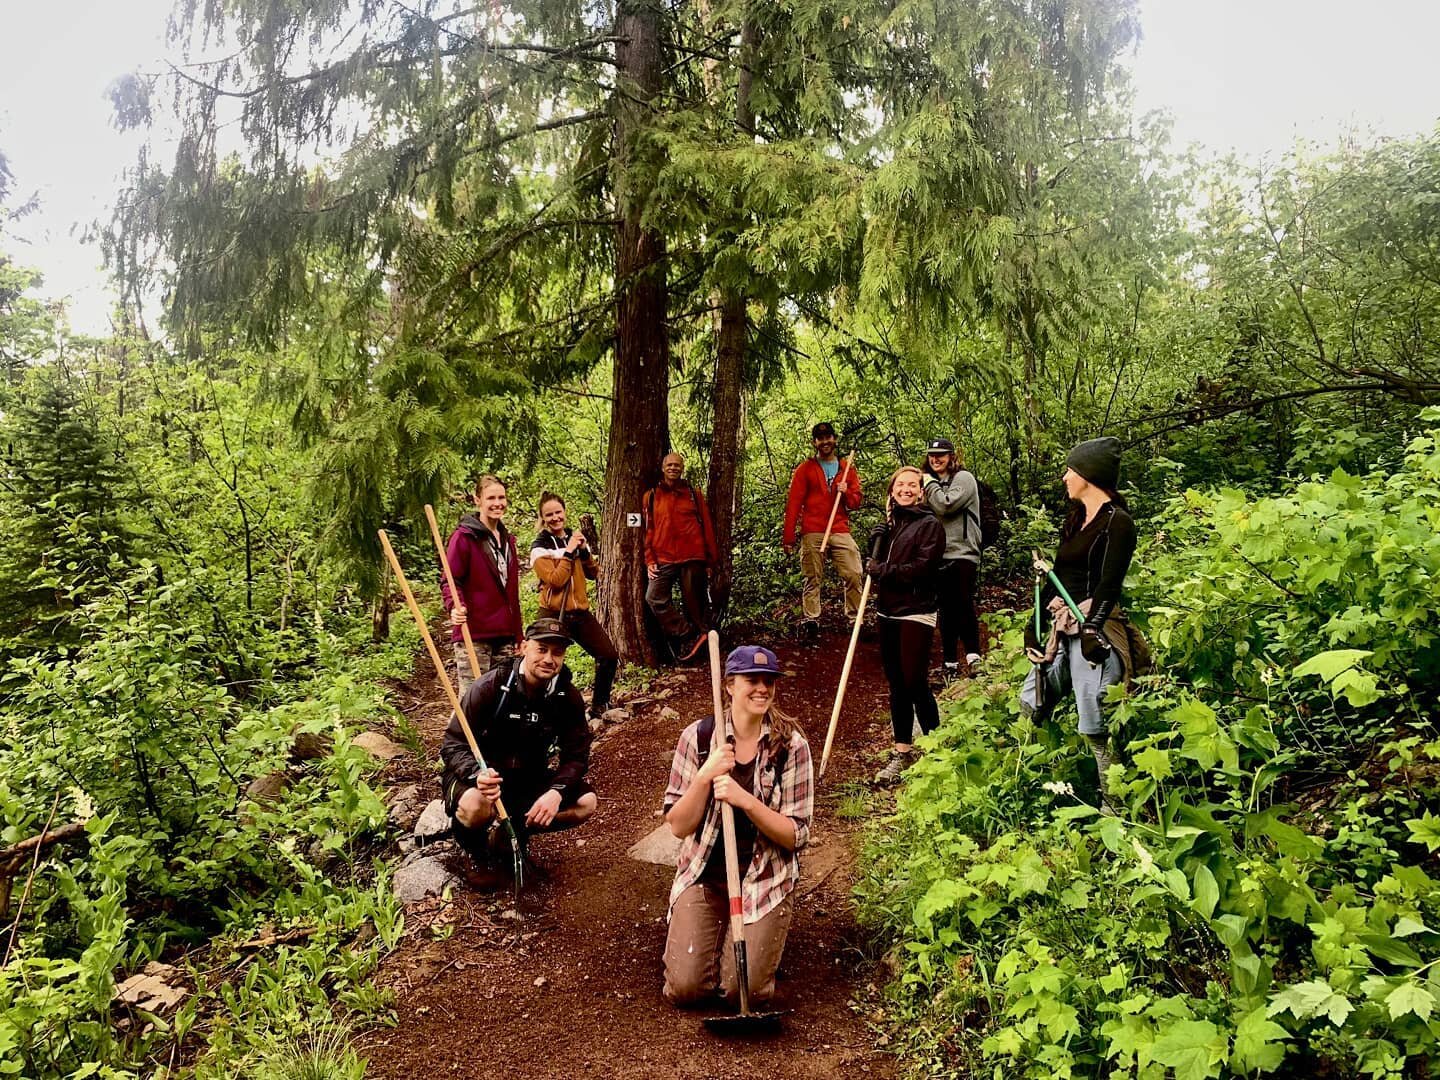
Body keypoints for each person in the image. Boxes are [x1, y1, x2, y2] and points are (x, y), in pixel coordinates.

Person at [661, 644, 814, 1007]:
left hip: (764, 878)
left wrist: (746, 800)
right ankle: (703, 938)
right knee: (686, 989)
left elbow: (796, 835)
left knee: (740, 992)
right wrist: (704, 777)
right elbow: (678, 827)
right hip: (706, 877)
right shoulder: (698, 738)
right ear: (729, 685)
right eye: (752, 680)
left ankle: (755, 944)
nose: (762, 688)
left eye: (769, 681)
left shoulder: (790, 745)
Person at [1021, 437, 1138, 798]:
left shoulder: (1117, 523)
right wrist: (1033, 627)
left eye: (1070, 470)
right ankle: (1031, 783)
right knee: (1031, 701)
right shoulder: (1076, 521)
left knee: (1095, 721)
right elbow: (1060, 578)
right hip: (1064, 626)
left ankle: (1114, 803)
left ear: (1089, 474)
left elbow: (1109, 583)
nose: (1064, 477)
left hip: (1095, 632)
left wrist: (1091, 629)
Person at [440, 618, 596, 866]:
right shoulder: (490, 687)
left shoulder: (567, 696)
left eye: (557, 653)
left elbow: (576, 755)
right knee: (475, 806)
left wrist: (556, 792)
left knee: (586, 803)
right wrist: (475, 774)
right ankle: (474, 852)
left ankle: (510, 834)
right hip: (482, 777)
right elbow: (453, 743)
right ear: (524, 648)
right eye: (541, 650)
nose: (548, 659)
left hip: (527, 777)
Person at [869, 466, 946, 786]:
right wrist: (874, 543)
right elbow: (875, 566)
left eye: (912, 485)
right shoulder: (889, 526)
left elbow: (922, 569)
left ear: (921, 491)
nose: (906, 489)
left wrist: (882, 569)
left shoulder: (930, 525)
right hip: (888, 612)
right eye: (900, 485)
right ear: (892, 491)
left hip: (916, 611)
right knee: (897, 683)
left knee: (914, 680)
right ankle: (902, 751)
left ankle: (936, 749)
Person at [530, 492, 620, 721]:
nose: (555, 518)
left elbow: (593, 573)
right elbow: (556, 580)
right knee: (546, 665)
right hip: (553, 613)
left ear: (565, 512)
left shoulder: (573, 536)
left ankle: (600, 704)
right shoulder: (540, 547)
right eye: (549, 514)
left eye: (558, 512)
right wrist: (569, 551)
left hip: (579, 612)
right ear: (542, 517)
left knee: (608, 655)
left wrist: (584, 550)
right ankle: (540, 713)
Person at [783, 422, 865, 641]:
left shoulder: (847, 467)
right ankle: (811, 619)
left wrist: (847, 493)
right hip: (813, 529)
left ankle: (854, 618)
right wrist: (789, 537)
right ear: (815, 442)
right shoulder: (805, 469)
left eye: (828, 437)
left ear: (834, 439)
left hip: (839, 527)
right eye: (820, 438)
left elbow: (856, 502)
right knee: (812, 576)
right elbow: (793, 503)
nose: (825, 442)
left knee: (854, 572)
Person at [643, 452, 719, 661]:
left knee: (694, 604)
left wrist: (710, 561)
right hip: (664, 558)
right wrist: (649, 559)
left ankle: (703, 652)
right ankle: (689, 635)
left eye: (677, 465)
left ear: (682, 469)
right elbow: (648, 530)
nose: (673, 468)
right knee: (654, 597)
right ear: (663, 467)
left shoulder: (693, 494)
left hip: (692, 556)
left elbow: (707, 527)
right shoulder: (651, 496)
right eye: (670, 465)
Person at [922, 437, 984, 680]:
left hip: (962, 552)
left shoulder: (964, 479)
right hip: (938, 555)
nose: (936, 459)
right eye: (932, 456)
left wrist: (928, 485)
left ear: (951, 457)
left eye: (941, 455)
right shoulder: (932, 483)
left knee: (963, 602)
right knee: (945, 609)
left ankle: (973, 657)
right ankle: (949, 663)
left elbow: (946, 505)